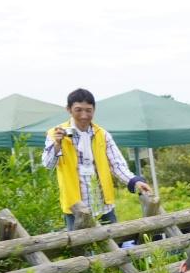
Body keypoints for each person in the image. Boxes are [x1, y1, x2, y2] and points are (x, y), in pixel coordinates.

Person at [42, 88, 153, 231]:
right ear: (69, 109)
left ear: (94, 110)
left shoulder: (102, 134)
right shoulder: (56, 133)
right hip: (75, 207)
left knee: (112, 245)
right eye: (78, 110)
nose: (84, 115)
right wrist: (57, 144)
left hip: (104, 204)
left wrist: (135, 181)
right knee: (82, 249)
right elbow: (48, 164)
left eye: (88, 110)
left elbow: (117, 164)